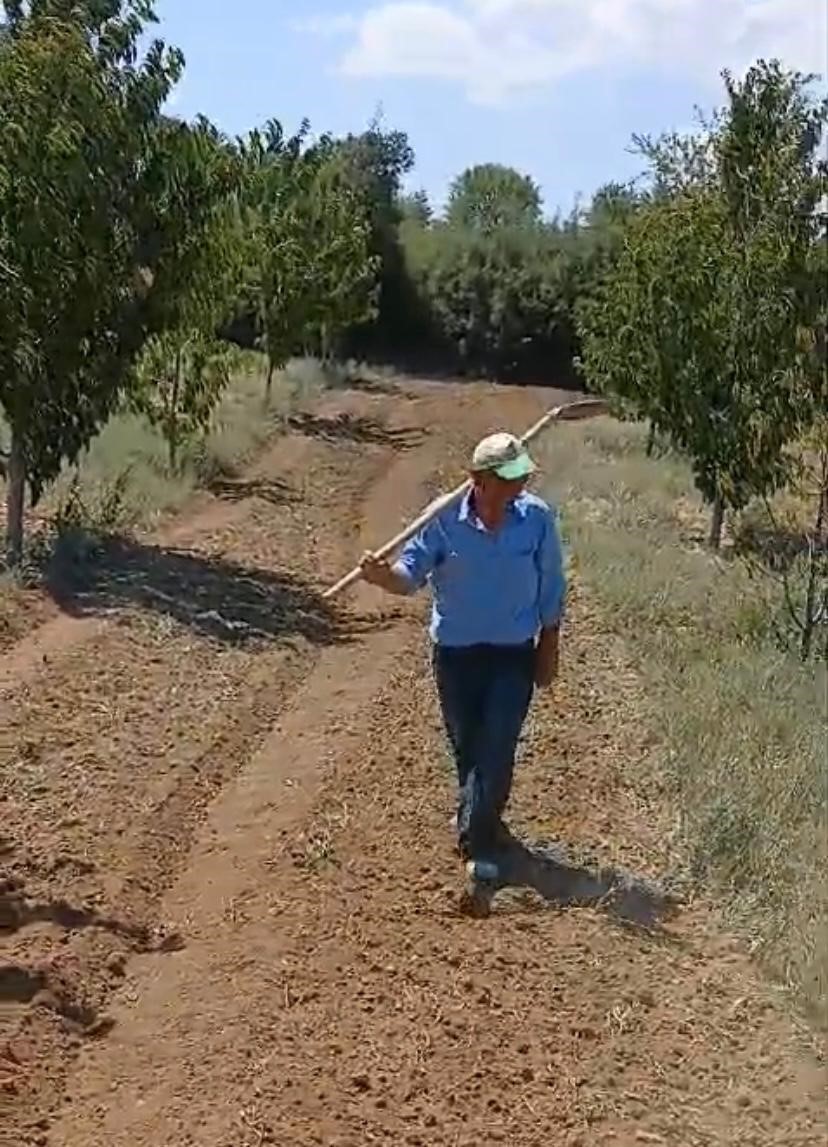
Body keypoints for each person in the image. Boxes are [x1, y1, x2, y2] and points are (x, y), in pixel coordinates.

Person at [359, 430, 566, 895]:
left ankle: (480, 850)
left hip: (513, 652)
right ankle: (482, 819)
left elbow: (551, 582)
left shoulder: (536, 520)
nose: (519, 488)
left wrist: (549, 641)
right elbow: (408, 577)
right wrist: (379, 576)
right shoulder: (442, 520)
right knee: (469, 749)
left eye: (522, 478)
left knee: (498, 745)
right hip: (455, 656)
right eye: (508, 480)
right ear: (478, 480)